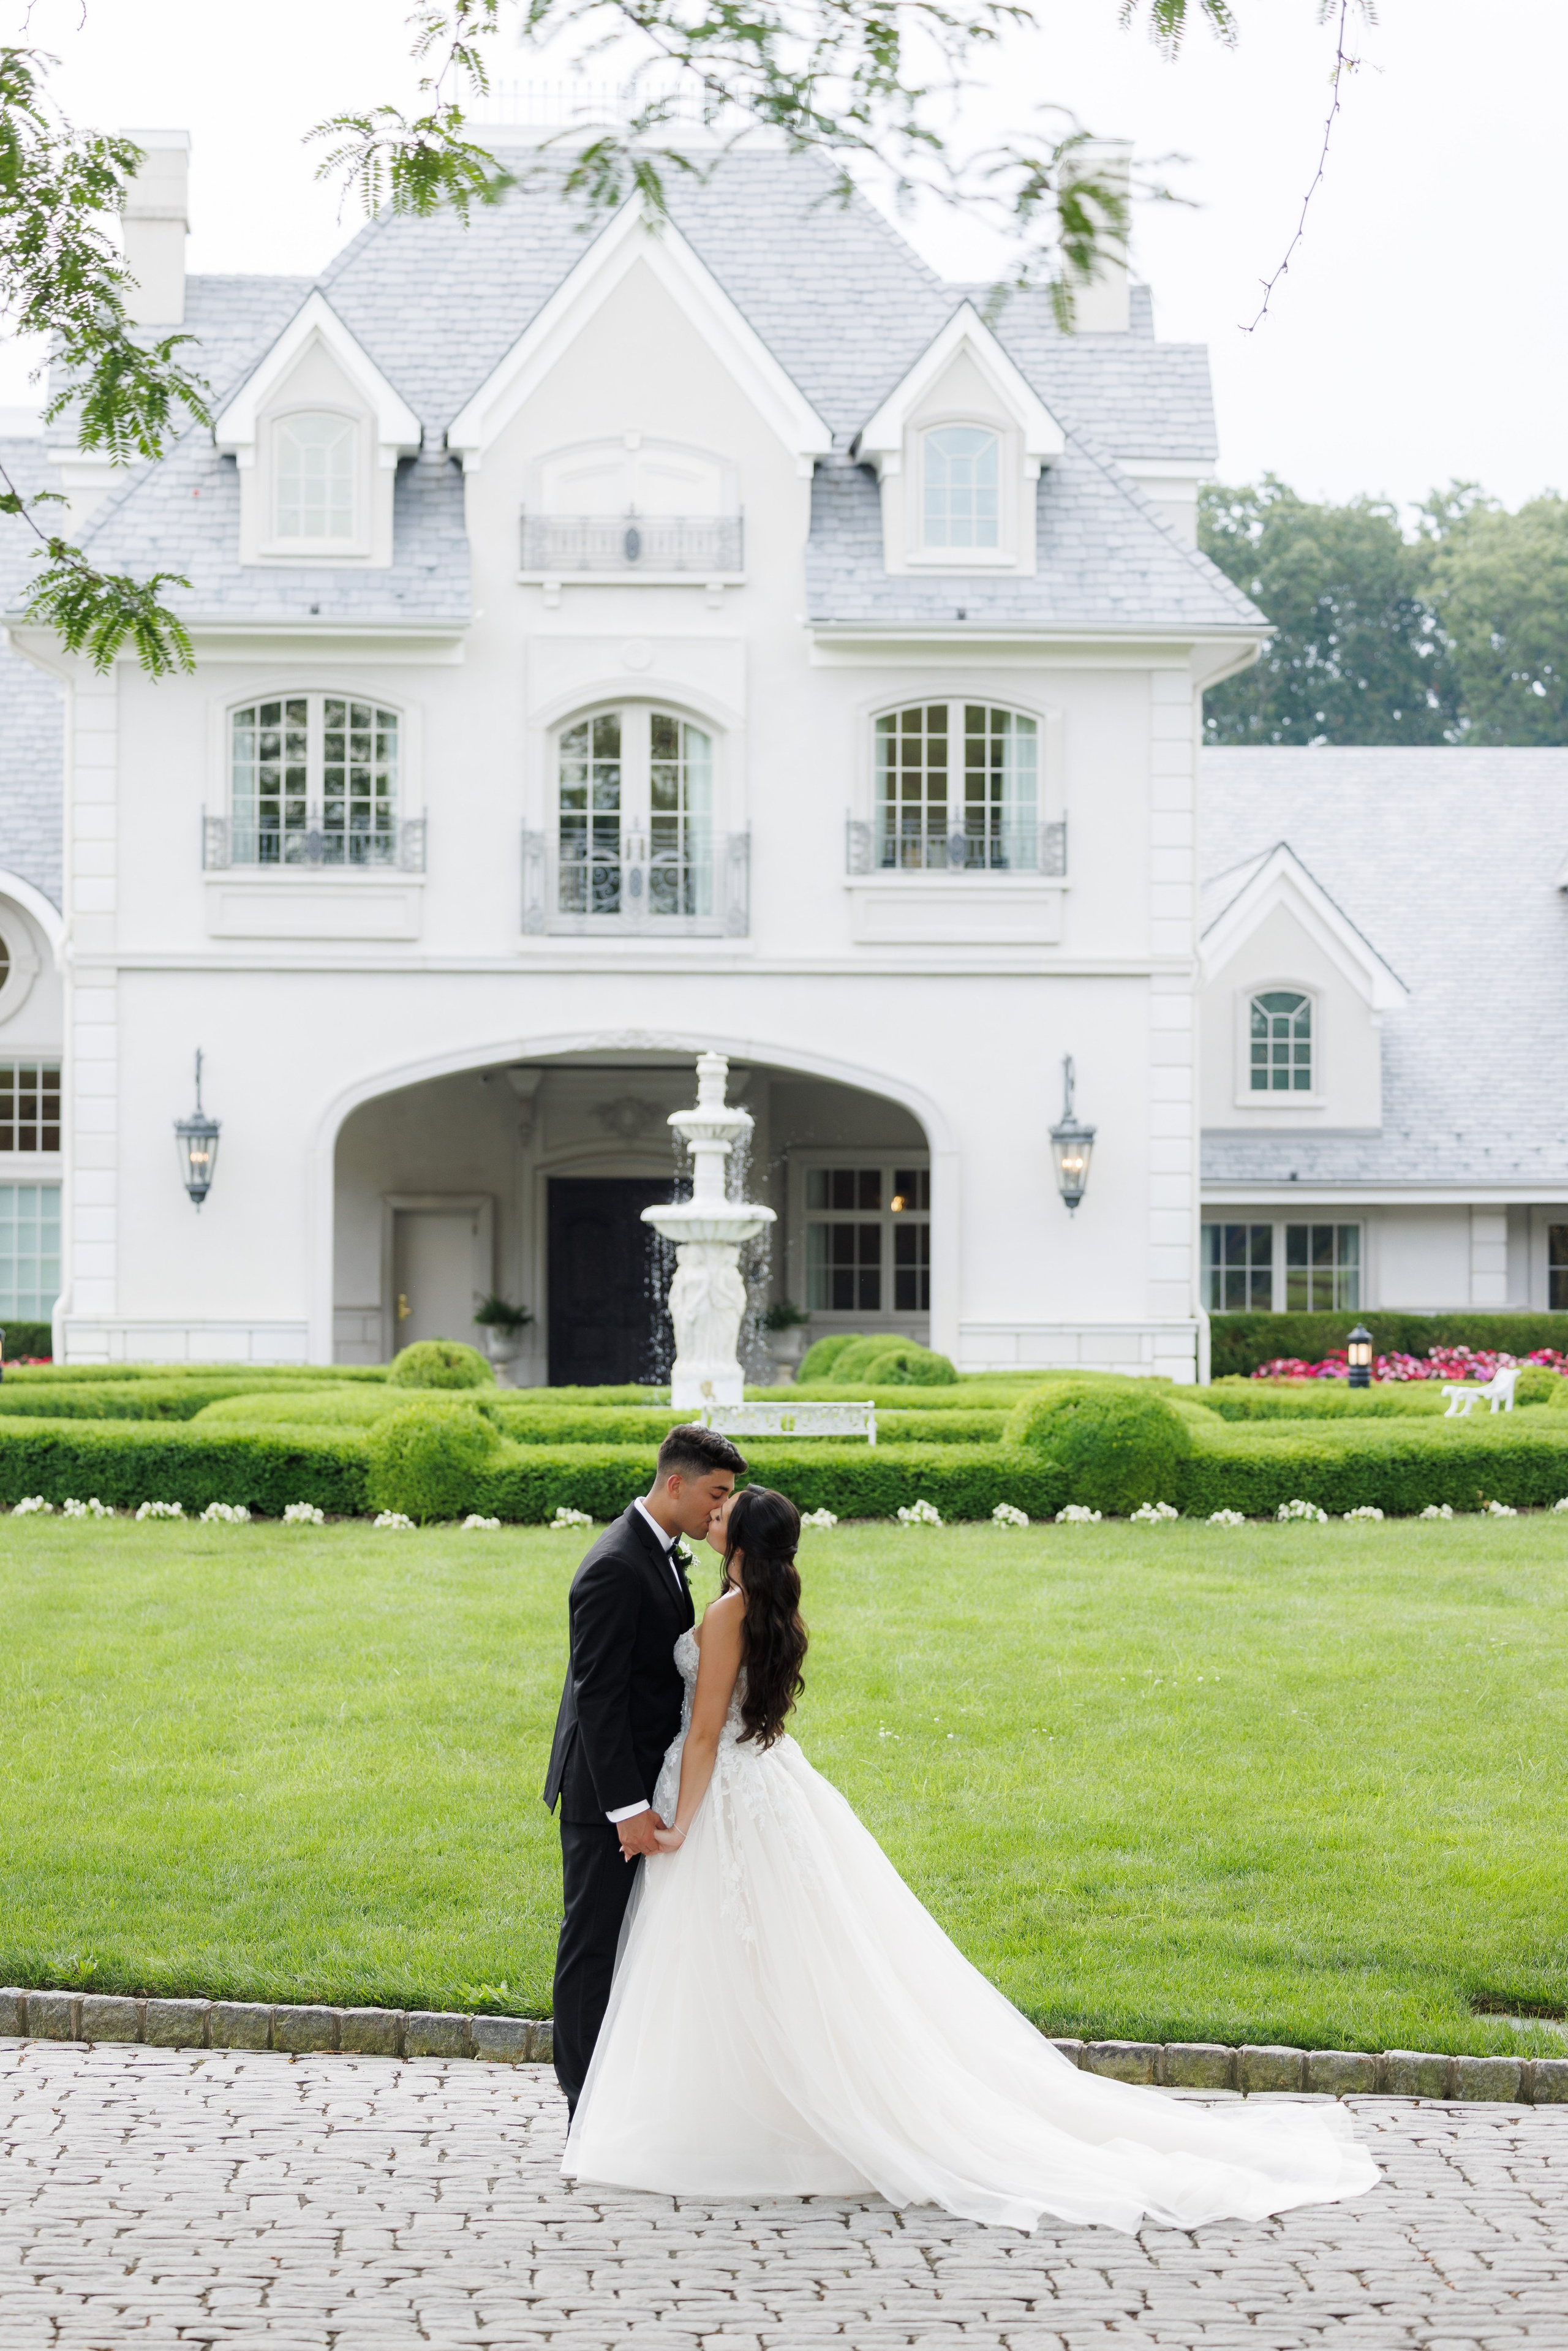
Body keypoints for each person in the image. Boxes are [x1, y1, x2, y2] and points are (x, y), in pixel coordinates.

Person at [562, 1485, 1381, 2235]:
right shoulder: (765, 1606)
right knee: (773, 1956)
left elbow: (705, 1731)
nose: (713, 1514)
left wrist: (677, 1821)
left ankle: (745, 2117)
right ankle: (756, 2105)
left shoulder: (727, 1615)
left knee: (733, 1953)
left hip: (725, 1796)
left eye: (724, 1511)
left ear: (737, 1539)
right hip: (769, 1783)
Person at [543, 1422, 748, 2116]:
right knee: (592, 1944)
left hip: (642, 1779)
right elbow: (595, 1698)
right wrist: (627, 1808)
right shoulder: (613, 1564)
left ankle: (617, 2094)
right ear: (674, 1483)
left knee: (627, 1942)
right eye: (714, 1496)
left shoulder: (659, 1552)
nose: (718, 1512)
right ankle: (581, 2104)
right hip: (606, 1791)